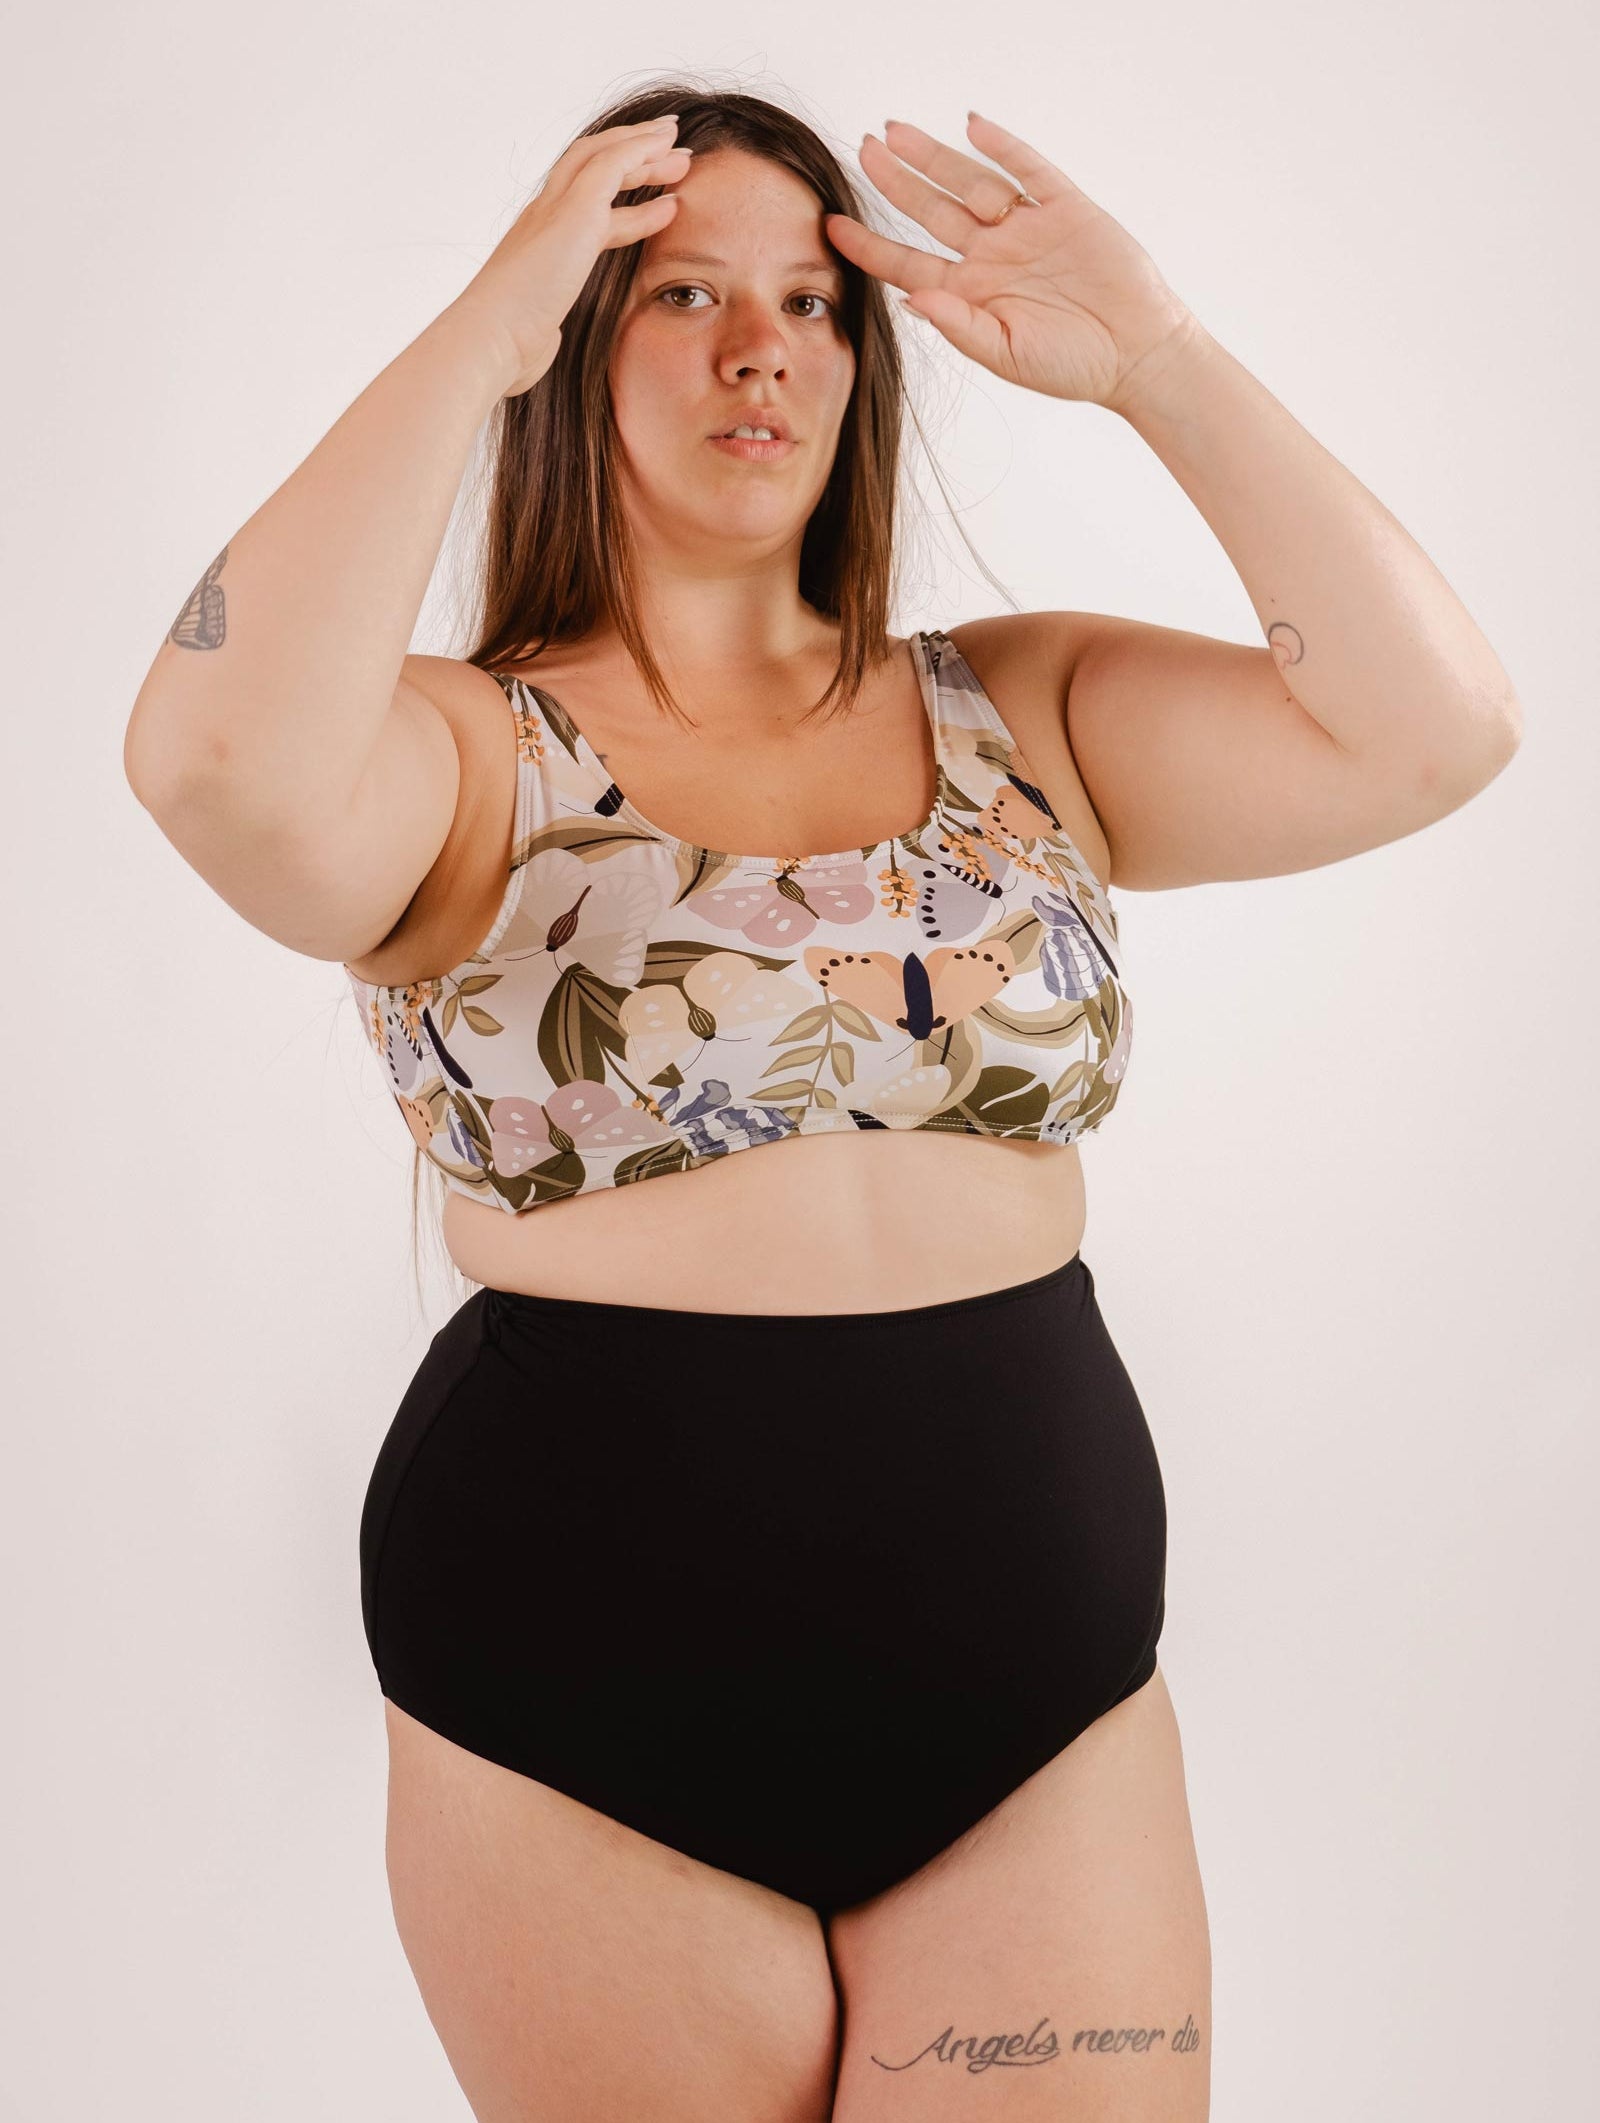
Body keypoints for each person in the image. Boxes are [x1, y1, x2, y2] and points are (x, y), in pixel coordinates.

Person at [122, 81, 1522, 2123]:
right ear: (569, 349)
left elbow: (1433, 729)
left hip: (1034, 1706)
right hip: (574, 1705)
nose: (758, 346)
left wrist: (1158, 365)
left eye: (806, 297)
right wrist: (470, 334)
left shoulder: (1018, 705)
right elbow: (210, 768)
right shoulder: (446, 748)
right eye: (676, 295)